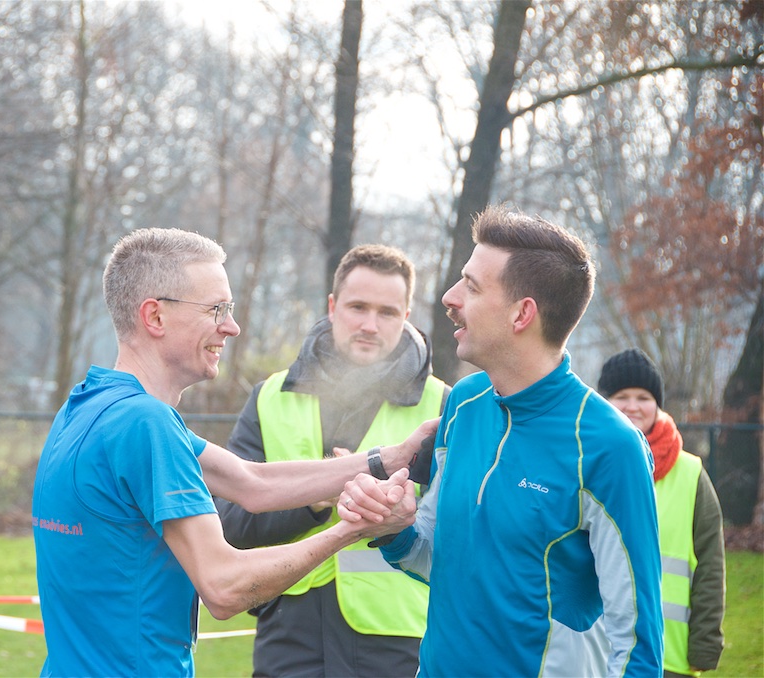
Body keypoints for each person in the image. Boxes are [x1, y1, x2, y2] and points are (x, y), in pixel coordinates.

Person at [31, 228, 427, 678]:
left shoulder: (89, 405)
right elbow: (223, 586)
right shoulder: (146, 423)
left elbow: (251, 483)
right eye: (216, 309)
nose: (231, 327)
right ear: (155, 316)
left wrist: (391, 457)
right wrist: (353, 529)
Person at [340, 204, 664, 676]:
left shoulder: (610, 447)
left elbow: (638, 649)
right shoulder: (463, 403)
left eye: (471, 286)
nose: (450, 297)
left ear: (521, 314)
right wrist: (393, 529)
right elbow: (437, 559)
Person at [216, 244, 449, 677]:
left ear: (406, 316)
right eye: (358, 307)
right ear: (332, 306)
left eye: (387, 312)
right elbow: (228, 523)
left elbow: (458, 536)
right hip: (287, 628)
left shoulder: (442, 405)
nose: (369, 325)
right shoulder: (268, 397)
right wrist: (317, 498)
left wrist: (394, 516)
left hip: (397, 636)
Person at [598, 347, 726, 677]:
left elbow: (710, 567)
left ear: (658, 404)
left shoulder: (691, 474)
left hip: (669, 657)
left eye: (643, 397)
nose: (633, 406)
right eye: (621, 396)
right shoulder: (584, 465)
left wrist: (705, 644)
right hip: (598, 652)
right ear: (604, 402)